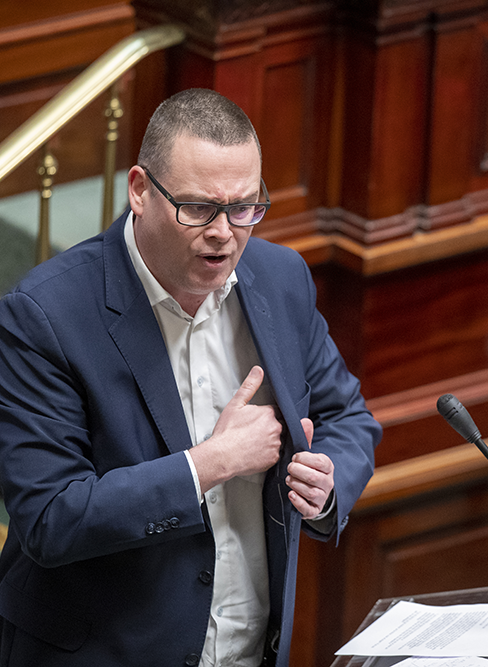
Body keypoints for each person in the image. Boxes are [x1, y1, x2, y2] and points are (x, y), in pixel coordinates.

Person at [0, 88, 381, 666]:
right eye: (199, 208)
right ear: (140, 191)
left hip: (250, 648)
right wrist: (210, 463)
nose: (225, 233)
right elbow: (52, 518)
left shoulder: (280, 278)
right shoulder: (46, 315)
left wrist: (329, 483)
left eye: (245, 207)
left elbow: (347, 418)